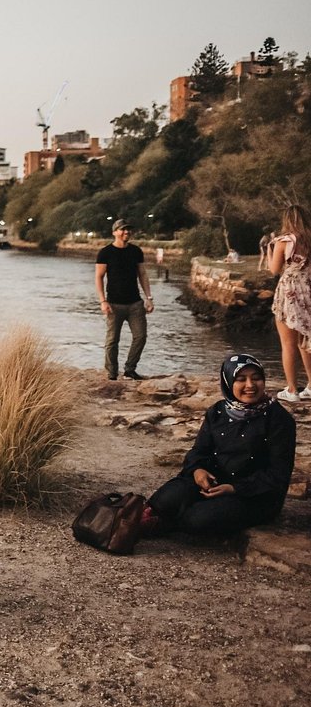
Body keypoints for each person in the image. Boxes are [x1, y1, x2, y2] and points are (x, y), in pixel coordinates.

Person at [144, 354, 295, 536]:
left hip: (255, 495)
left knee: (196, 520)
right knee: (164, 500)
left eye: (256, 378)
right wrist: (198, 471)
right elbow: (199, 451)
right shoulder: (217, 411)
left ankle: (172, 522)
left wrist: (234, 488)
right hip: (215, 482)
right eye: (241, 379)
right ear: (228, 381)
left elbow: (278, 473)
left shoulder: (279, 419)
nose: (250, 385)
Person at [95, 219, 155, 380]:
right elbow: (99, 277)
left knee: (140, 337)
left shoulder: (136, 251)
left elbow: (142, 274)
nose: (127, 232)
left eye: (128, 229)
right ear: (114, 232)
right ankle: (112, 372)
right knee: (112, 341)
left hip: (135, 303)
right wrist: (103, 301)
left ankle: (130, 369)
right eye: (122, 229)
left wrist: (149, 298)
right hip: (114, 304)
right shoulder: (105, 252)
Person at [268, 204, 311, 402]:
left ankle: (292, 390)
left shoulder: (284, 241)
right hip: (308, 290)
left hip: (290, 292)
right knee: (306, 340)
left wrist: (270, 251)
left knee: (288, 343)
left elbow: (274, 269)